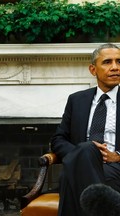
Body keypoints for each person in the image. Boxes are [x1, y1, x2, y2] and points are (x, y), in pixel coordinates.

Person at [51, 43, 120, 216]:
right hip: (84, 164)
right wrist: (83, 154)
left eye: (119, 62)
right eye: (107, 62)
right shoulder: (77, 100)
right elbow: (58, 140)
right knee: (86, 149)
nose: (115, 67)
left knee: (70, 176)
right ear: (93, 69)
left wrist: (118, 155)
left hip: (115, 166)